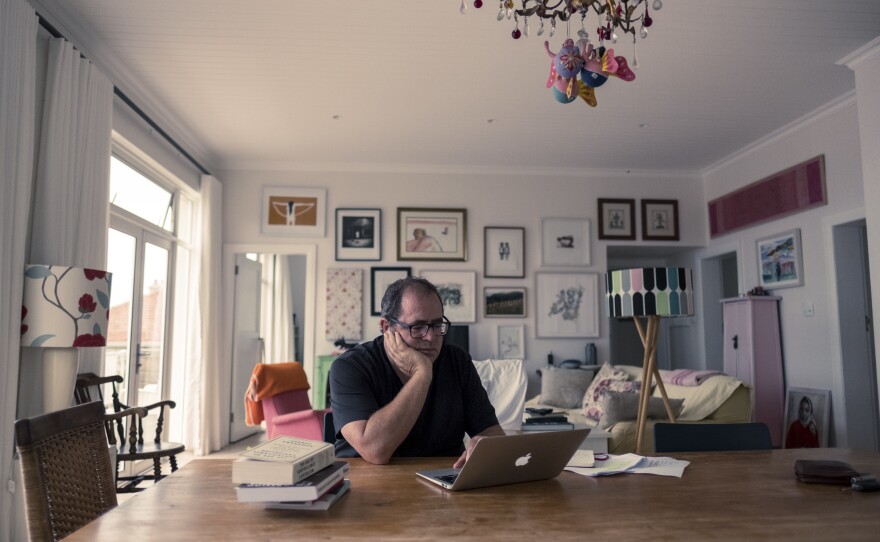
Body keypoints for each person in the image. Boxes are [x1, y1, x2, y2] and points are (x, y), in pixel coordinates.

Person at [329, 276, 503, 465]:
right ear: (386, 327)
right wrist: (422, 373)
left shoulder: (457, 361)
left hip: (444, 478)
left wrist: (485, 443)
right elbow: (374, 451)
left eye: (437, 325)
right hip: (368, 480)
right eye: (418, 327)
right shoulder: (350, 367)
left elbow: (492, 432)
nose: (430, 337)